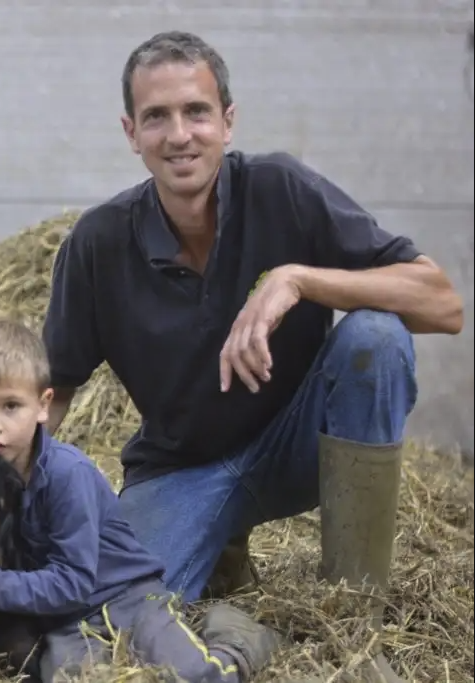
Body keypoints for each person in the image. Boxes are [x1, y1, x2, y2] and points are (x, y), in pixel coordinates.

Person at [40, 30, 464, 681]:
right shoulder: (98, 242)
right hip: (180, 471)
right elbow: (55, 391)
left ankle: (359, 610)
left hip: (300, 445)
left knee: (377, 335)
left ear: (227, 122)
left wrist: (298, 279)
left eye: (196, 111)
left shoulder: (282, 188)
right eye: (157, 116)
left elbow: (442, 304)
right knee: (106, 629)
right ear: (131, 132)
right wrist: (2, 497)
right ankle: (235, 610)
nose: (179, 134)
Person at [0, 318, 282, 682]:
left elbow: (74, 582)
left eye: (10, 406)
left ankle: (238, 639)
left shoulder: (66, 474)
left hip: (120, 596)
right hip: (60, 618)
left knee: (192, 676)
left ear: (43, 405)